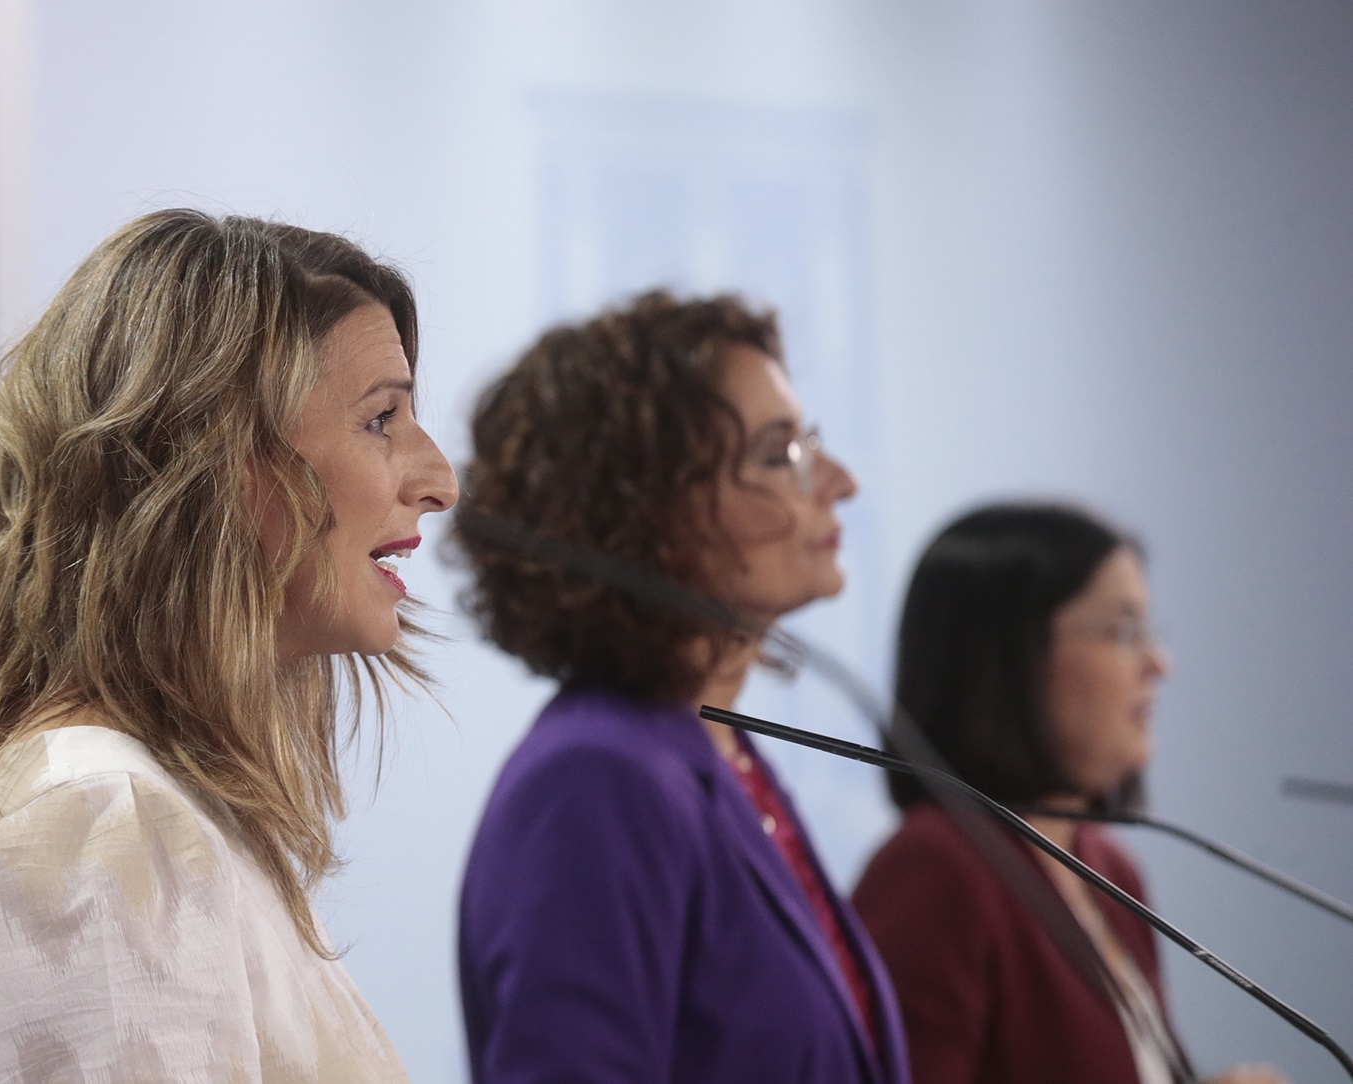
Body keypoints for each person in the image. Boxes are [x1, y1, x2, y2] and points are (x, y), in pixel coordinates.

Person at [0, 209, 458, 1082]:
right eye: (381, 420)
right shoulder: (90, 823)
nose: (437, 480)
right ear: (215, 461)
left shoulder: (144, 808)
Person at [453, 291, 907, 1083]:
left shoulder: (715, 755)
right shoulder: (596, 778)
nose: (839, 482)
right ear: (644, 513)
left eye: (808, 442)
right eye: (778, 455)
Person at [851, 503, 1283, 1084]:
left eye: (1150, 631)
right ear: (1011, 658)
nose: (1159, 663)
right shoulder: (938, 869)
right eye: (1122, 631)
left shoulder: (1108, 868)